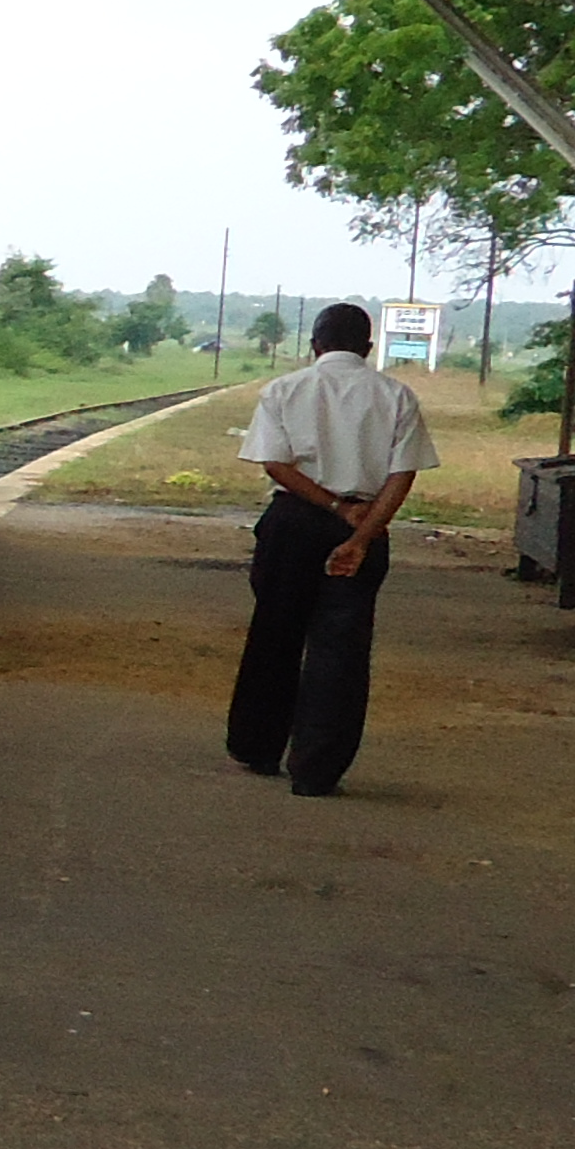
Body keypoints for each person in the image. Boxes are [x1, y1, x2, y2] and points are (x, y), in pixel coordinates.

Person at [226, 300, 436, 797]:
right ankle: (317, 770)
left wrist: (334, 507)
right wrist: (360, 535)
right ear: (367, 348)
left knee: (275, 633)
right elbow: (401, 475)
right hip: (367, 520)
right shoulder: (397, 397)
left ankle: (258, 747)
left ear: (314, 346)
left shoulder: (283, 390)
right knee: (341, 650)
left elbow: (276, 465)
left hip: (294, 522)